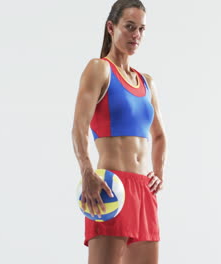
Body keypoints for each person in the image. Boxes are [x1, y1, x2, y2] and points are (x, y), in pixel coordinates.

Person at [71, 0, 167, 263]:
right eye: (129, 27)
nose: (136, 35)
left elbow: (159, 135)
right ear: (111, 28)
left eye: (141, 29)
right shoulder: (99, 69)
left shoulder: (147, 82)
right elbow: (78, 128)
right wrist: (87, 171)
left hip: (143, 191)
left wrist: (158, 173)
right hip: (110, 188)